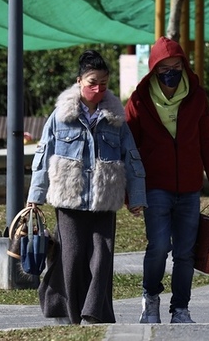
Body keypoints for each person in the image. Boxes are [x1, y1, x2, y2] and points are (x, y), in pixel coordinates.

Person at [26, 50, 147, 325]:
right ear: (79, 80)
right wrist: (35, 196)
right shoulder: (60, 116)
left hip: (105, 198)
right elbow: (43, 154)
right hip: (69, 199)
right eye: (92, 82)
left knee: (102, 257)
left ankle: (94, 314)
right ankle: (67, 313)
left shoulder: (116, 118)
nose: (98, 89)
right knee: (72, 256)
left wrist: (136, 197)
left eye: (103, 84)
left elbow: (132, 157)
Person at [125, 37, 209, 324]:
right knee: (158, 245)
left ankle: (180, 308)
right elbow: (129, 150)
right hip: (155, 187)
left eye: (176, 65)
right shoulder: (139, 100)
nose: (171, 72)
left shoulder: (197, 96)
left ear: (184, 65)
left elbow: (207, 141)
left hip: (190, 188)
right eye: (164, 67)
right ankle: (151, 298)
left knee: (185, 253)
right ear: (154, 70)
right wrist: (130, 193)